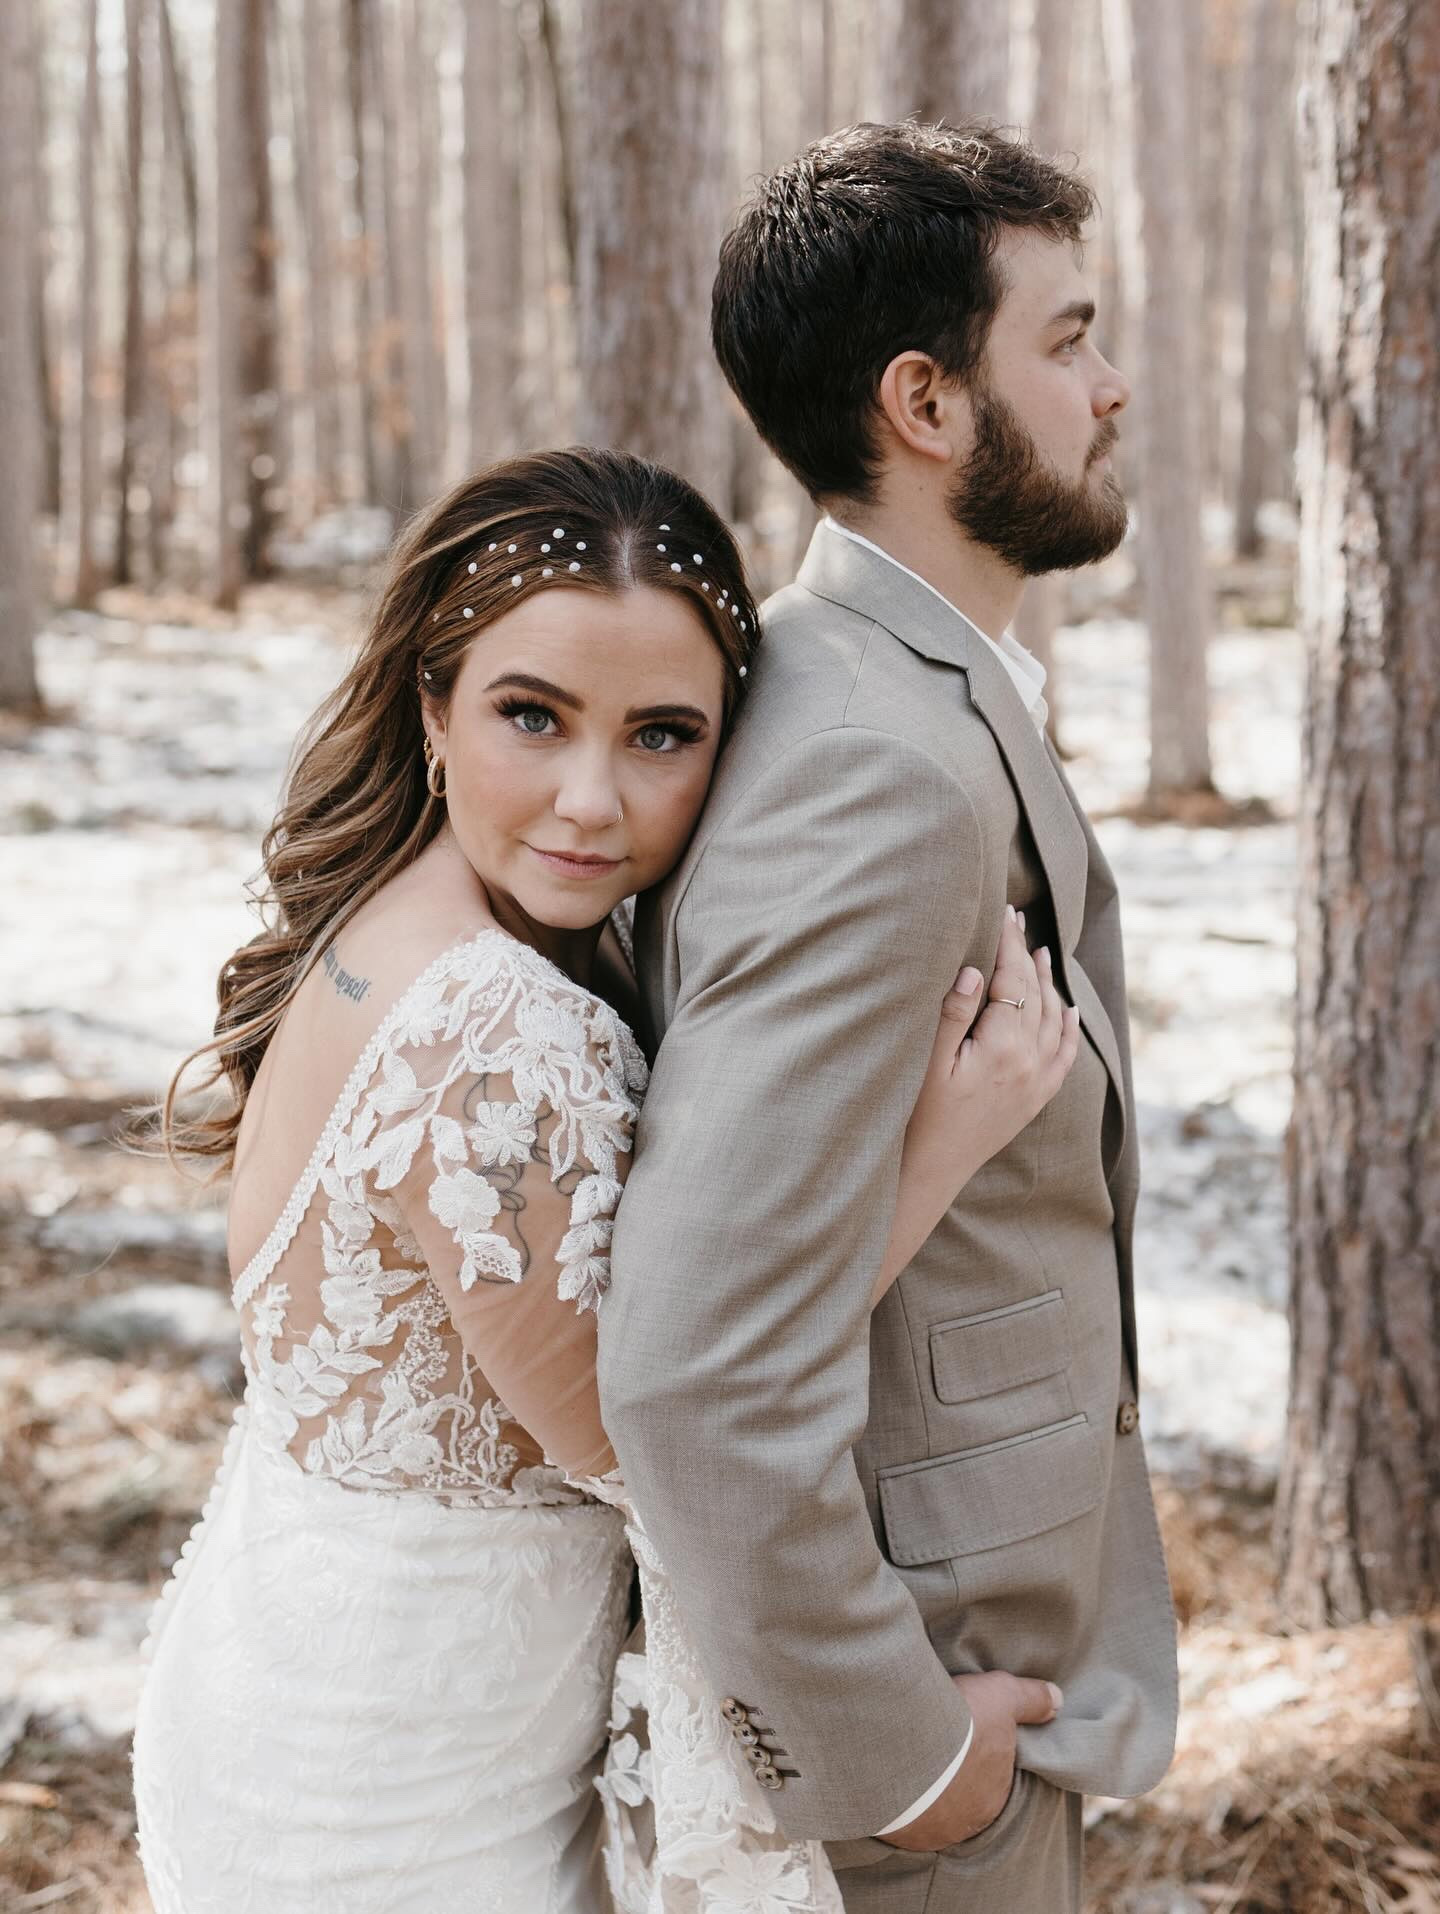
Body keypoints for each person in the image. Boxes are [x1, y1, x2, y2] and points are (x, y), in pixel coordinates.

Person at [130, 444, 1080, 1914]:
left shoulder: (392, 920)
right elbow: (666, 1407)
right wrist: (937, 1152)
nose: (591, 799)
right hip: (393, 1801)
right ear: (432, 705)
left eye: (662, 736)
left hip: (288, 1677)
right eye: (534, 716)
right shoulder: (498, 1031)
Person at [596, 121, 1181, 1914]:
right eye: (1068, 339)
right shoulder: (878, 766)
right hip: (915, 1726)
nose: (1112, 386)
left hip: (985, 1661)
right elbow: (696, 1361)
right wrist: (903, 1759)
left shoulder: (889, 687)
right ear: (927, 403)